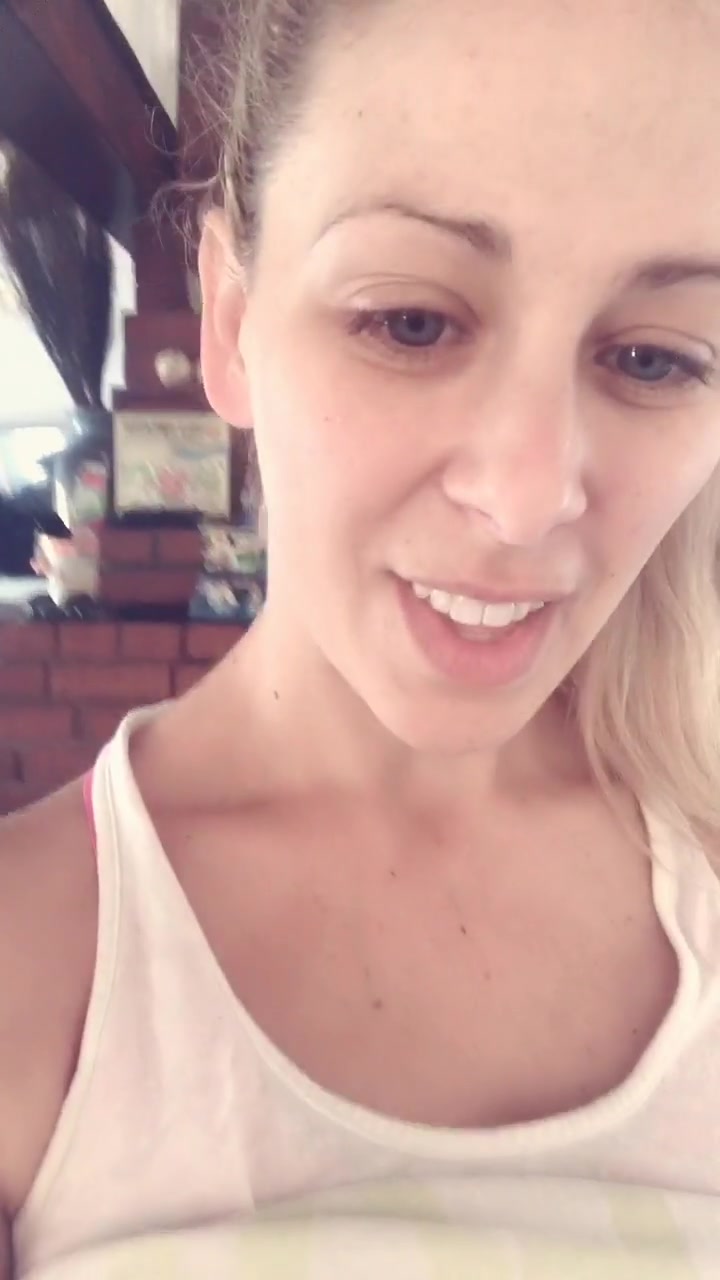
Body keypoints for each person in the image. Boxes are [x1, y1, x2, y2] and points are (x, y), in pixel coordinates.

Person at [2, 0, 720, 1274]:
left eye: (657, 359)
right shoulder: (35, 964)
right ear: (230, 321)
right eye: (410, 321)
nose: (527, 495)